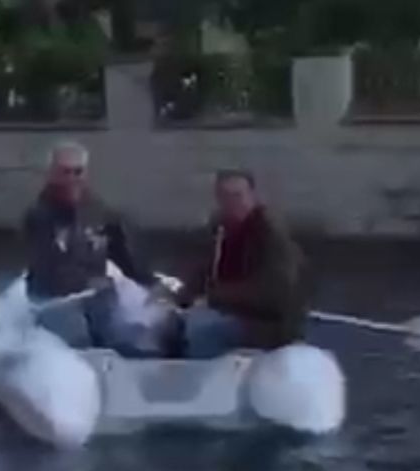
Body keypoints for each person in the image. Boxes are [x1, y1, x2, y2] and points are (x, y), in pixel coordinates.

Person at [22, 140, 165, 355]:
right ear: (51, 175)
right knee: (76, 338)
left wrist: (153, 285)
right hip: (55, 299)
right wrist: (86, 283)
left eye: (77, 172)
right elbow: (47, 269)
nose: (71, 179)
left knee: (131, 341)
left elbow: (127, 258)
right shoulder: (37, 218)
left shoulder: (101, 213)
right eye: (64, 172)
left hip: (98, 296)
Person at [169, 169, 308, 359]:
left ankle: (207, 383)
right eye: (224, 197)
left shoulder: (270, 234)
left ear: (252, 196)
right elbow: (206, 270)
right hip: (230, 311)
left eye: (237, 196)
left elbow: (275, 292)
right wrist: (182, 296)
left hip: (267, 324)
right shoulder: (221, 230)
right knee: (173, 323)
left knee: (202, 332)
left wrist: (214, 297)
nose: (231, 204)